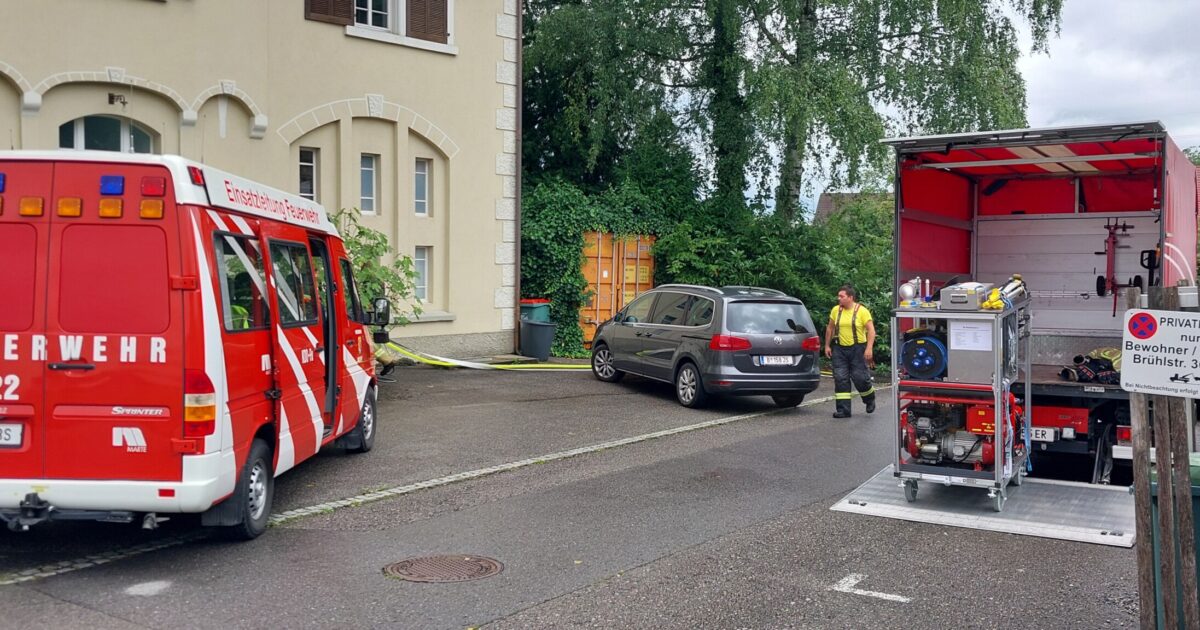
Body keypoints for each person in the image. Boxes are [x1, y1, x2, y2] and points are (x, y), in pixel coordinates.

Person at [824, 284, 876, 418]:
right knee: (840, 378)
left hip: (858, 349)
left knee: (860, 378)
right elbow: (830, 328)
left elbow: (871, 330)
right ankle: (843, 410)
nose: (838, 298)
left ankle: (869, 399)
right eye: (839, 296)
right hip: (839, 349)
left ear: (850, 298)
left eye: (842, 296)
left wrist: (869, 348)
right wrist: (827, 346)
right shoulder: (836, 310)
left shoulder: (862, 311)